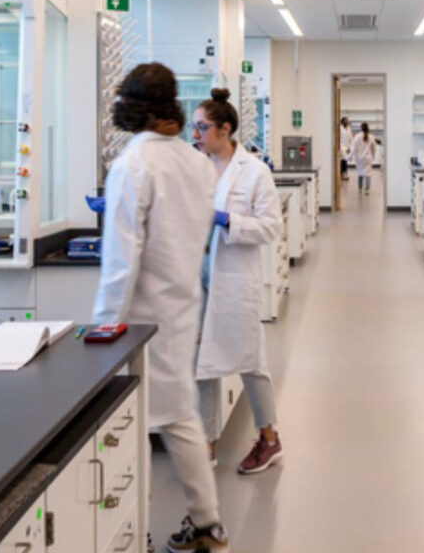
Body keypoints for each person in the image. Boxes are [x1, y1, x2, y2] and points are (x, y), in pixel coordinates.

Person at [90, 63, 229, 552]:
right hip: (181, 306)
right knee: (177, 416)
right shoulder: (195, 162)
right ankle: (208, 524)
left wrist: (105, 328)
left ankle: (135, 534)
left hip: (140, 320)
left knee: (130, 425)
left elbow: (121, 261)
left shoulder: (133, 164)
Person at [191, 88, 286, 474]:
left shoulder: (255, 171)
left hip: (234, 278)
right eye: (194, 127)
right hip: (196, 277)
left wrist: (228, 220)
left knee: (251, 361)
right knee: (202, 363)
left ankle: (269, 439)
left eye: (202, 128)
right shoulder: (194, 169)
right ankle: (206, 445)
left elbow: (270, 227)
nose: (195, 135)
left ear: (225, 129)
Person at [351, 122, 378, 196]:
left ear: (361, 128)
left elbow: (353, 148)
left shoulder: (357, 136)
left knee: (360, 174)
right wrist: (373, 156)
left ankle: (360, 189)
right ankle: (367, 190)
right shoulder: (371, 136)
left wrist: (350, 157)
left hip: (359, 158)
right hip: (368, 158)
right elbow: (374, 148)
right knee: (368, 174)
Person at [339, 116, 353, 182]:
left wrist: (351, 146)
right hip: (341, 146)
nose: (347, 122)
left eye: (347, 121)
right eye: (345, 121)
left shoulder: (348, 128)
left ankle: (344, 173)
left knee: (345, 160)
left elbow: (350, 138)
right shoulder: (340, 128)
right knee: (343, 160)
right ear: (342, 121)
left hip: (346, 147)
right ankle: (343, 174)